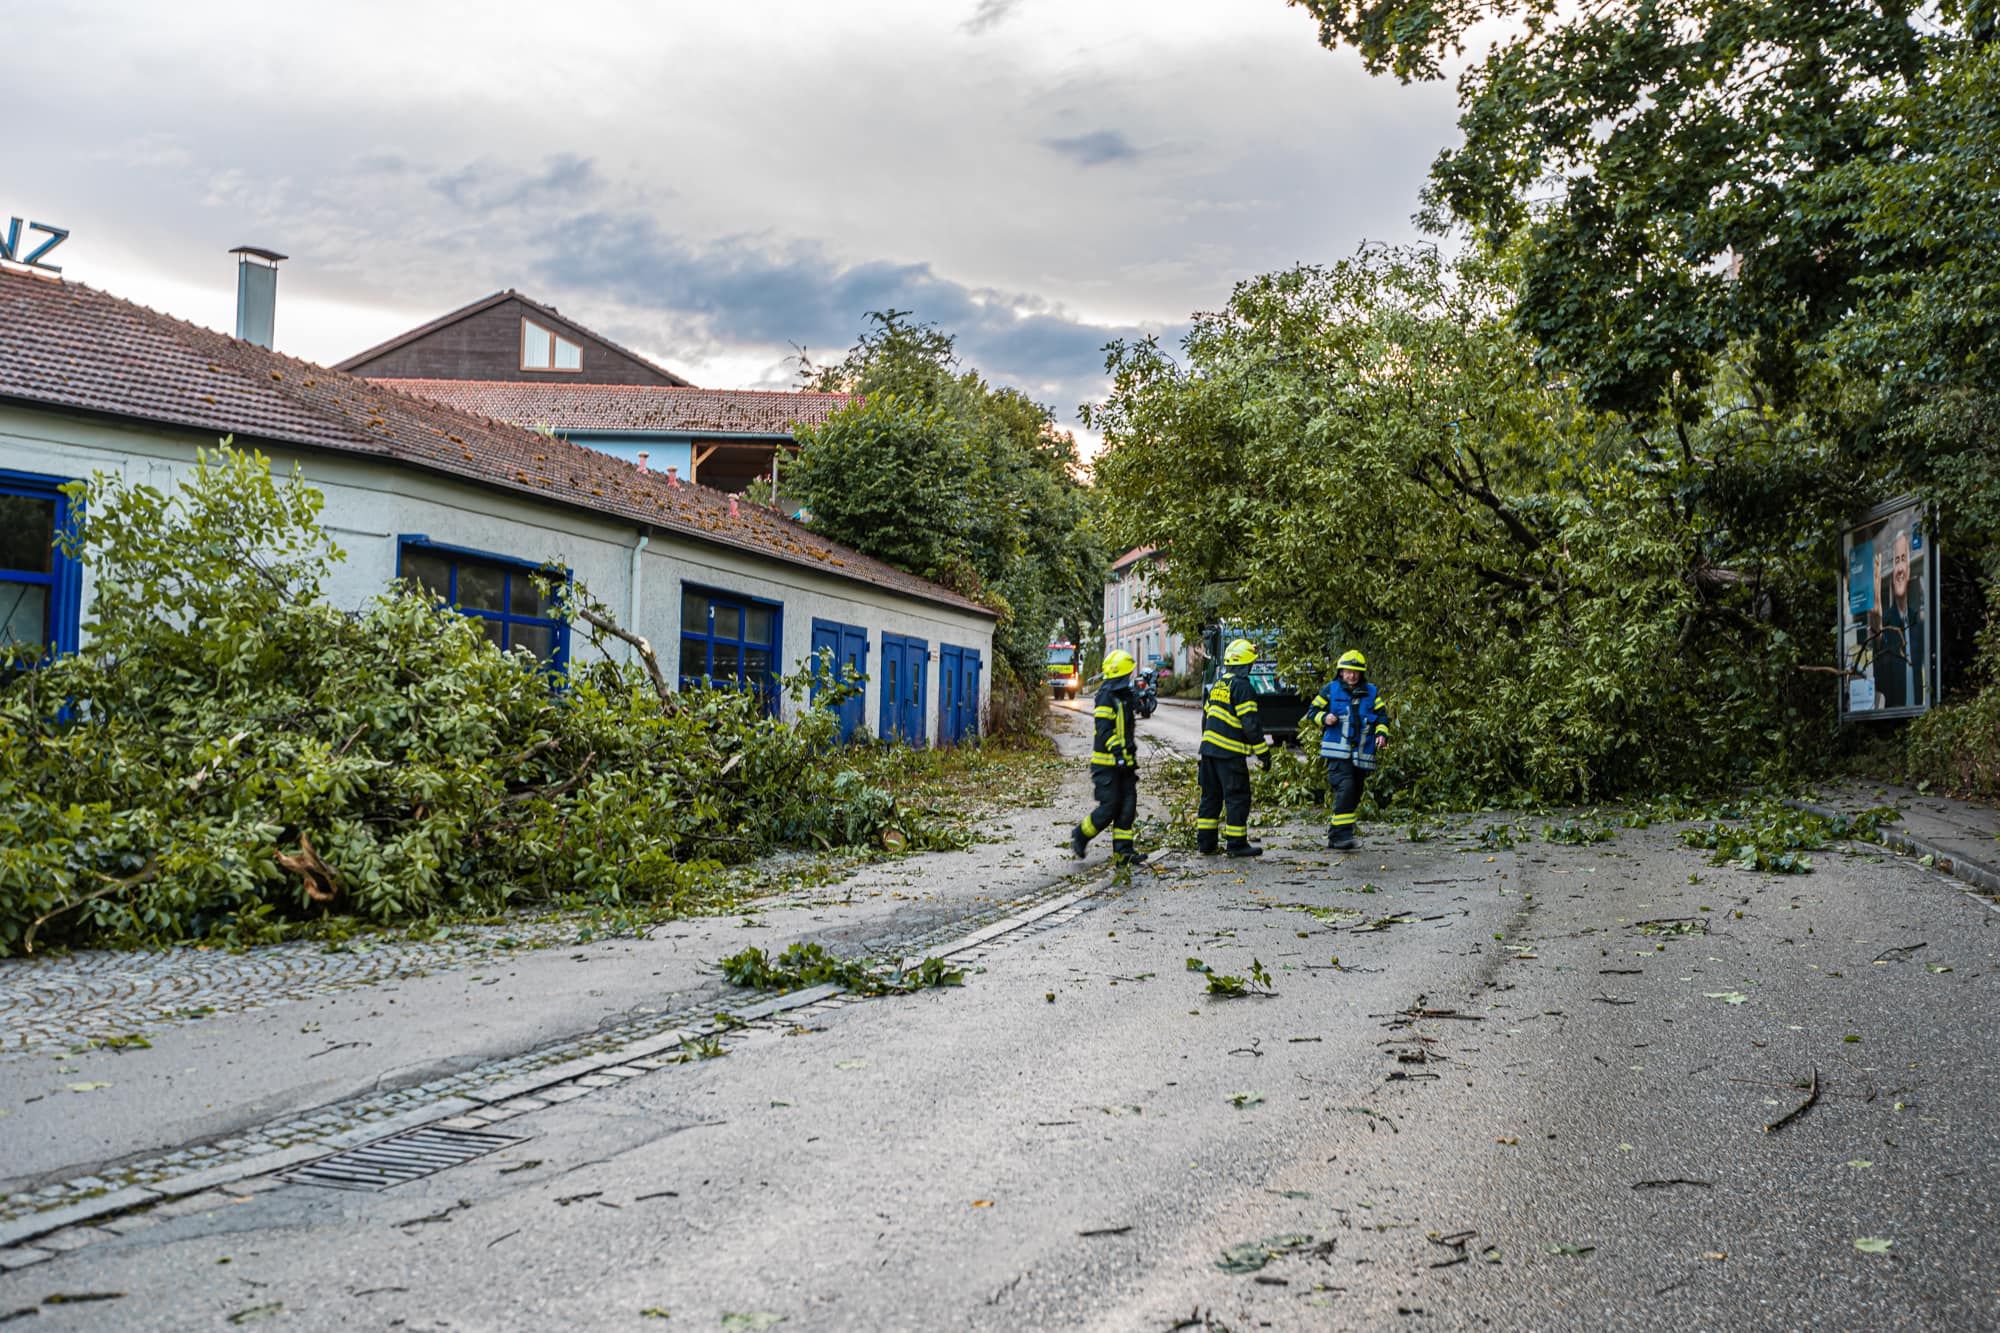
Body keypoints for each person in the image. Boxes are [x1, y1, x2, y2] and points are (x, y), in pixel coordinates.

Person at [1306, 649, 1389, 850]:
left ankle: (1339, 834)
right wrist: (1324, 718)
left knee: (1355, 792)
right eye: (1347, 671)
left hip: (1361, 755)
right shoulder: (1330, 690)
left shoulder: (1371, 692)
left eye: (1355, 672)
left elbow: (1382, 717)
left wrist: (1381, 734)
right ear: (1340, 672)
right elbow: (1312, 711)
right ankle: (1340, 835)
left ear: (1361, 674)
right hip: (1337, 753)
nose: (1351, 675)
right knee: (1346, 788)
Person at [1197, 638, 1270, 857]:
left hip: (1209, 752)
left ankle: (1206, 843)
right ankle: (1236, 844)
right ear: (1247, 665)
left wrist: (1208, 744)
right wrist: (1264, 753)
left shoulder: (1219, 684)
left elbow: (1205, 717)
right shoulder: (1243, 687)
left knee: (1210, 797)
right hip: (1229, 756)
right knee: (1237, 797)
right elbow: (1251, 725)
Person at [1071, 649, 1141, 864]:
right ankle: (1081, 835)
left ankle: (1124, 852)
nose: (1129, 678)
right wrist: (1118, 754)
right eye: (1127, 675)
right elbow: (1105, 730)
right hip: (1107, 766)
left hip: (1125, 765)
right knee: (1109, 808)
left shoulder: (1123, 697)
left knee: (1128, 807)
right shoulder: (1105, 697)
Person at [1873, 523, 1926, 709]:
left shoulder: (1918, 623)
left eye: (1903, 560)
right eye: (1896, 561)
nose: (1900, 569)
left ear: (1909, 568)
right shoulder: (1885, 622)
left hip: (1920, 718)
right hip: (1894, 723)